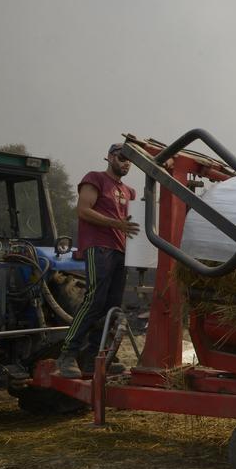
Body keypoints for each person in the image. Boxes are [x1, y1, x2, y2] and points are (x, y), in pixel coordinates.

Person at [56, 143, 139, 378]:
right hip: (99, 247)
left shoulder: (129, 191)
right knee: (95, 299)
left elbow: (133, 223)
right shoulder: (95, 179)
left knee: (111, 305)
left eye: (129, 160)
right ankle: (67, 355)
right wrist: (117, 224)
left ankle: (95, 358)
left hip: (121, 250)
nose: (125, 163)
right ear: (110, 157)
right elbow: (83, 210)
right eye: (122, 157)